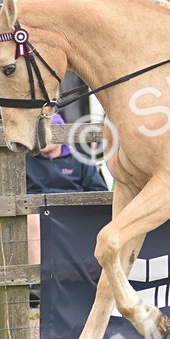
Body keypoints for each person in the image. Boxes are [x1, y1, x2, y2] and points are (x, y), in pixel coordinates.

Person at [22, 112, 109, 309]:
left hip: (72, 217)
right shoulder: (26, 162)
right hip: (38, 218)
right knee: (31, 218)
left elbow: (99, 192)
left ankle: (88, 286)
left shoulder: (79, 160)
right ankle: (37, 286)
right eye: (39, 133)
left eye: (48, 132)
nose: (44, 138)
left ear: (61, 134)